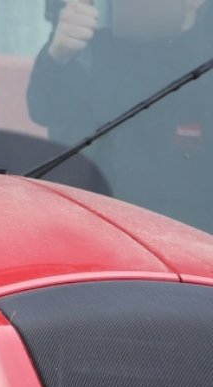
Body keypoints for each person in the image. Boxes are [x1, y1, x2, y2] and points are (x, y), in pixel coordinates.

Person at [28, 0, 213, 232]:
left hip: (190, 246)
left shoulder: (205, 66)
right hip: (97, 232)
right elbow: (45, 111)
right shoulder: (88, 50)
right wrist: (57, 56)